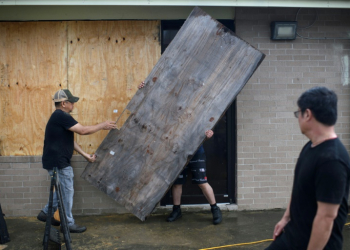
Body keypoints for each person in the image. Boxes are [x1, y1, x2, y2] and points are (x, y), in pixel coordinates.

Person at [265, 86, 350, 250]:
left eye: (298, 113)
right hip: (293, 235)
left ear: (308, 114)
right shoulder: (310, 147)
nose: (298, 118)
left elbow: (326, 217)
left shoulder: (332, 160)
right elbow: (299, 186)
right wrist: (286, 218)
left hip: (317, 244)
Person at [138, 82, 222, 225]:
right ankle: (177, 210)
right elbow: (154, 104)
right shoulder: (170, 106)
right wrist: (144, 90)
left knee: (202, 182)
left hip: (196, 150)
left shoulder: (199, 108)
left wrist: (209, 133)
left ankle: (215, 209)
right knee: (177, 183)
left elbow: (208, 127)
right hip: (176, 150)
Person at [37, 89, 117, 233]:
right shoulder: (61, 116)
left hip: (55, 161)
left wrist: (86, 155)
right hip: (59, 162)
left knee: (62, 190)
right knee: (67, 191)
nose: (73, 105)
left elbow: (70, 142)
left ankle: (45, 213)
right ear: (64, 103)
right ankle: (67, 223)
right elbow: (83, 131)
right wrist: (102, 125)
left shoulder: (59, 117)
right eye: (71, 102)